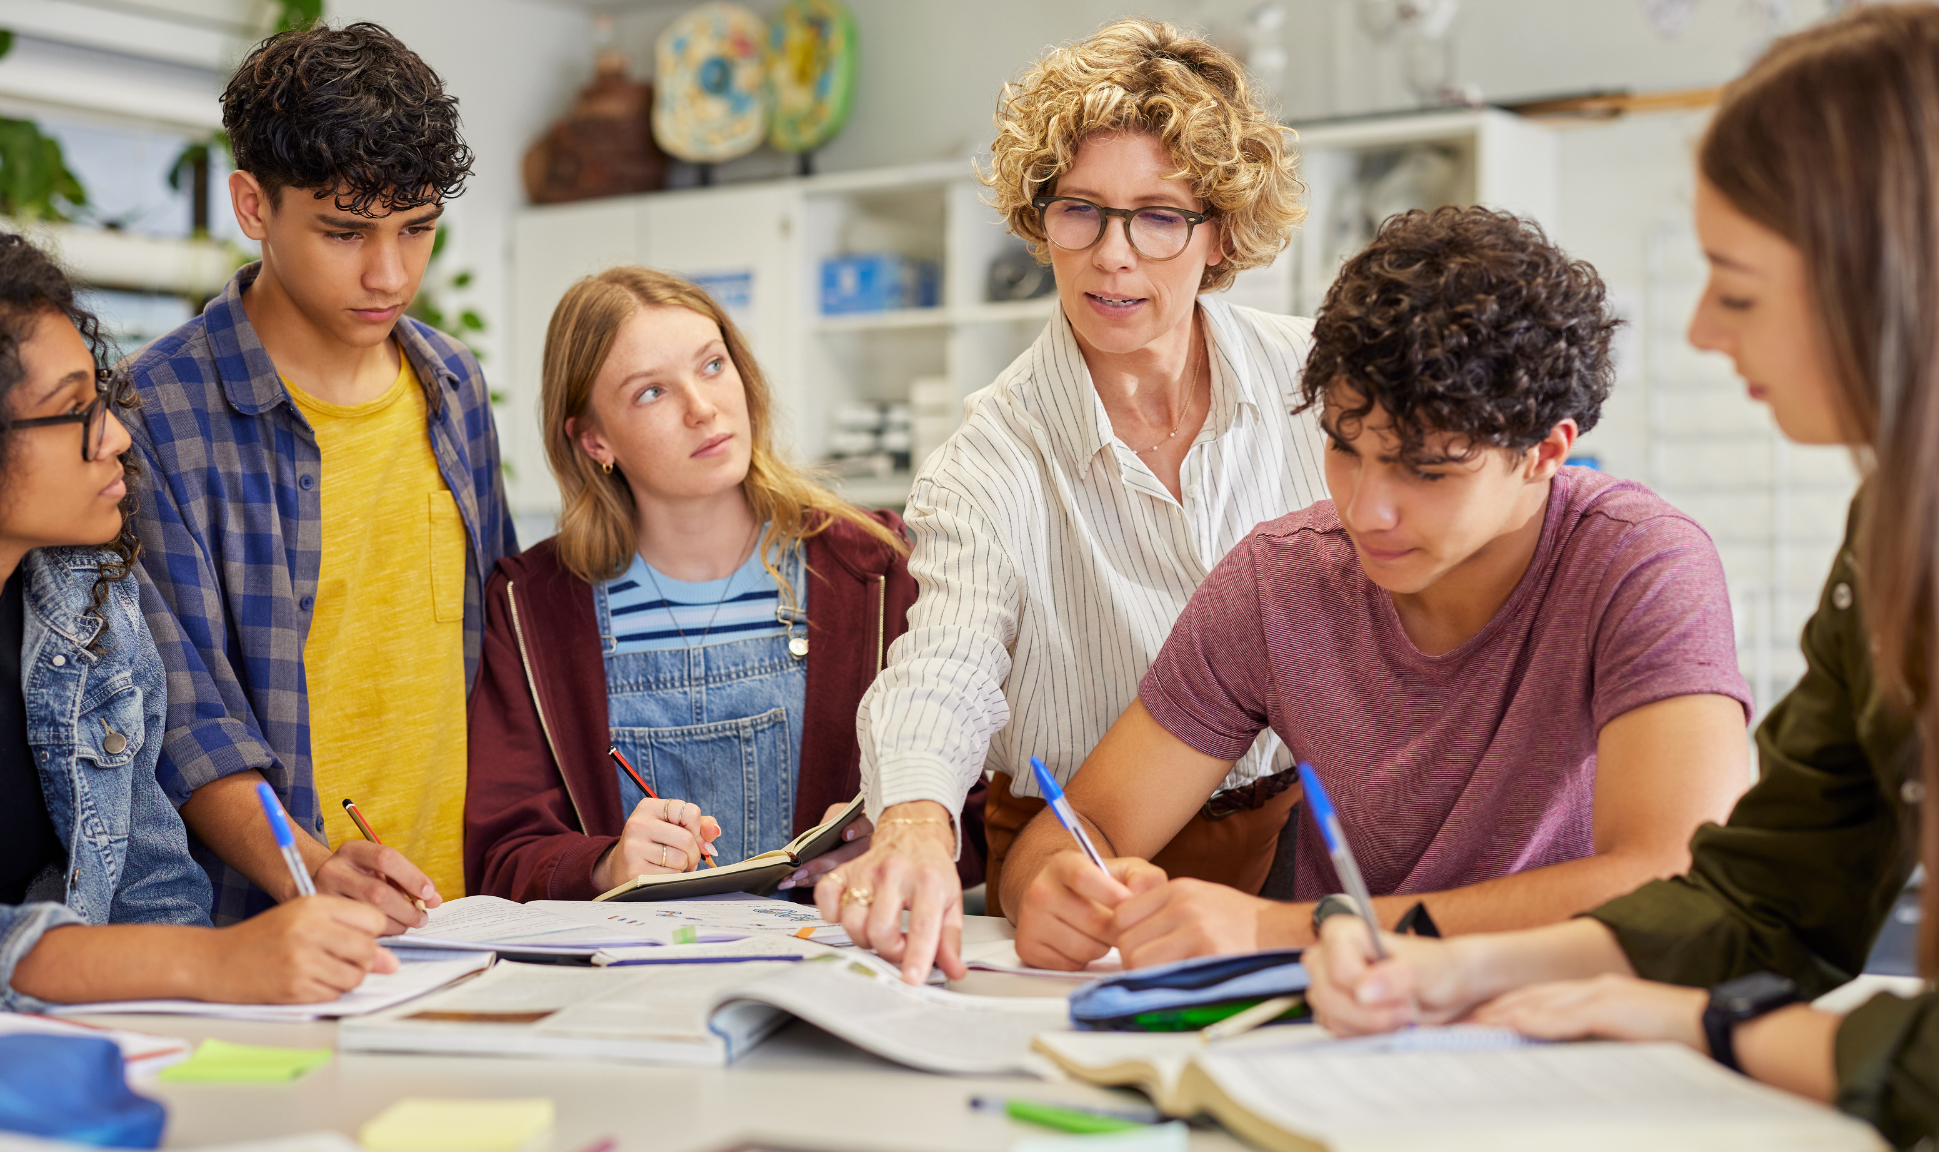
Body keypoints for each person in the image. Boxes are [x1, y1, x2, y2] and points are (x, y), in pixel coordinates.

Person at [1303, 8, 1939, 1147]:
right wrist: (1455, 974)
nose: (1702, 330)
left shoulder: (1643, 556)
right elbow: (1764, 897)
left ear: (1894, 284)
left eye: (1738, 289)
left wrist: (1703, 1029)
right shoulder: (1893, 534)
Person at [1001, 207, 1755, 971]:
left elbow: (1672, 882)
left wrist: (1282, 932)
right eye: (1344, 446)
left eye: (1425, 470)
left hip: (1559, 1021)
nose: (1367, 509)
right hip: (1333, 1029)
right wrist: (1054, 886)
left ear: (1544, 451)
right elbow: (1085, 823)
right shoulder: (1278, 582)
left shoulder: (1639, 566)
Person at [819, 17, 1331, 984]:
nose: (1112, 254)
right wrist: (919, 820)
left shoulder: (1318, 385)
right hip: (1079, 860)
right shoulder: (989, 457)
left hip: (1302, 838)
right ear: (1038, 218)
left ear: (1217, 230)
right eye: (1080, 210)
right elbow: (944, 665)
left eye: (1159, 215)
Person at [0, 229, 395, 1017]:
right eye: (71, 412)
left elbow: (151, 882)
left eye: (98, 399)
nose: (116, 436)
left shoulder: (90, 596)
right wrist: (200, 963)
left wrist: (205, 1027)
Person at [121, 23, 514, 926]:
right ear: (253, 206)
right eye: (345, 231)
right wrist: (313, 875)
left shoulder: (453, 383)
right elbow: (185, 718)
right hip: (278, 920)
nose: (390, 273)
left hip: (474, 912)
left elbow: (497, 647)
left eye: (417, 230)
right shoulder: (154, 412)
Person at [465, 267, 983, 899]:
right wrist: (606, 865)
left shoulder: (874, 567)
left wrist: (906, 836)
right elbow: (500, 855)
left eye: (712, 366)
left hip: (835, 968)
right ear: (593, 438)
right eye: (651, 393)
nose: (703, 408)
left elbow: (983, 804)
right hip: (634, 979)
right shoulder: (532, 605)